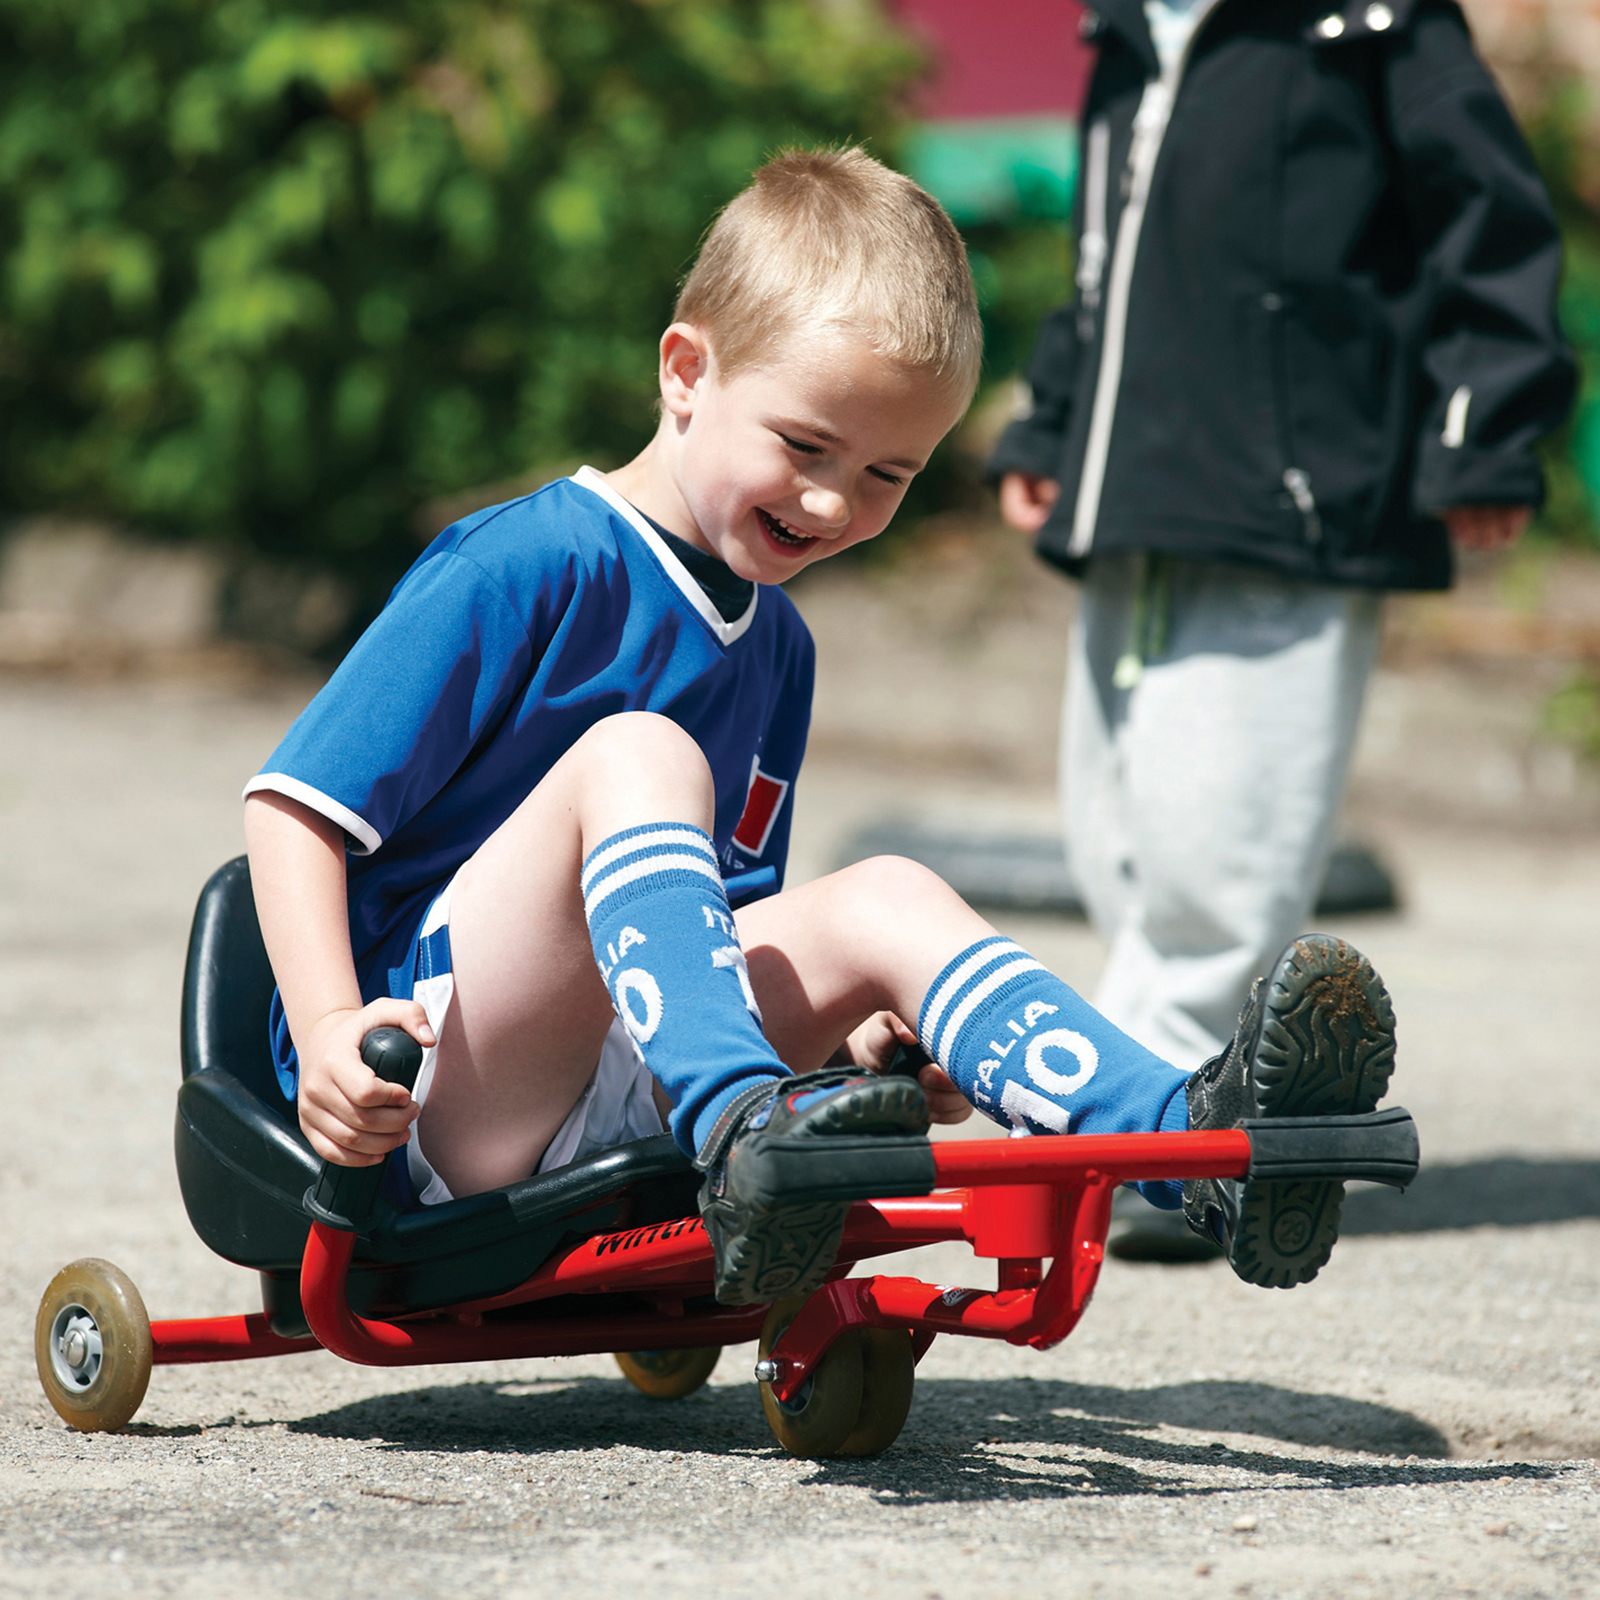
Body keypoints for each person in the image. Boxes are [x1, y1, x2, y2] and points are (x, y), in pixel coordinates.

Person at [243, 148, 1398, 1306]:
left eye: (889, 474)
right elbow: (291, 811)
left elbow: (711, 939)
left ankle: (1189, 1145)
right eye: (804, 446)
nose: (835, 502)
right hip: (433, 1104)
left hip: (643, 1092)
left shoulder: (779, 646)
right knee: (639, 752)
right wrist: (331, 1027)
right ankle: (749, 1136)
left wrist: (856, 1041)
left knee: (887, 892)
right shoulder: (521, 563)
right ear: (686, 371)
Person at [992, 4, 1572, 1114]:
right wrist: (1050, 417)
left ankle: (1169, 1127)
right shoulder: (1132, 28)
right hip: (1135, 492)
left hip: (1291, 499)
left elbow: (1489, 217)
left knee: (1223, 846)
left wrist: (1485, 429)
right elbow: (1101, 260)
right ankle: (1145, 1102)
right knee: (1118, 835)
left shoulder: (1365, 23)